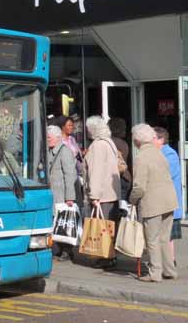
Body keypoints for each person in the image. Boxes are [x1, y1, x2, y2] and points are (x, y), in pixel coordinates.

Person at [129, 123, 178, 282]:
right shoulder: (160, 153)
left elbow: (139, 186)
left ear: (137, 140)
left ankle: (155, 273)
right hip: (169, 201)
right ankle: (170, 270)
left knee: (152, 239)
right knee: (164, 238)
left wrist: (132, 200)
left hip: (153, 203)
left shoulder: (141, 157)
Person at [84, 115, 122, 269]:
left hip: (102, 194)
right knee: (109, 226)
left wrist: (94, 195)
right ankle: (109, 255)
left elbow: (96, 171)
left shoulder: (98, 145)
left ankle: (106, 257)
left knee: (103, 227)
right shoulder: (109, 143)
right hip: (111, 193)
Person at [47, 125, 78, 262]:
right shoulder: (50, 150)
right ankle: (59, 249)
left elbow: (70, 175)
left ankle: (67, 251)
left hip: (61, 193)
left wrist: (70, 197)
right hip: (53, 192)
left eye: (49, 137)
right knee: (57, 221)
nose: (47, 140)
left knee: (64, 222)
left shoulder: (64, 151)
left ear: (58, 138)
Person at [154, 126, 182, 268]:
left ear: (161, 139)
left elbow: (165, 176)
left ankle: (170, 261)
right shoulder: (159, 153)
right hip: (163, 201)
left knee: (168, 235)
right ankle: (168, 261)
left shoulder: (169, 154)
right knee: (164, 234)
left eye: (153, 138)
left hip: (168, 202)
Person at [54, 115, 84, 207]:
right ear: (62, 127)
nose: (72, 127)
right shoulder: (59, 140)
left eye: (72, 125)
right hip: (65, 172)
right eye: (69, 125)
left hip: (77, 171)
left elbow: (77, 153)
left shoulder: (72, 139)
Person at [109, 117, 133, 212]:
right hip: (126, 177)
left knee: (116, 210)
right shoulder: (124, 143)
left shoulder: (111, 142)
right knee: (122, 207)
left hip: (118, 178)